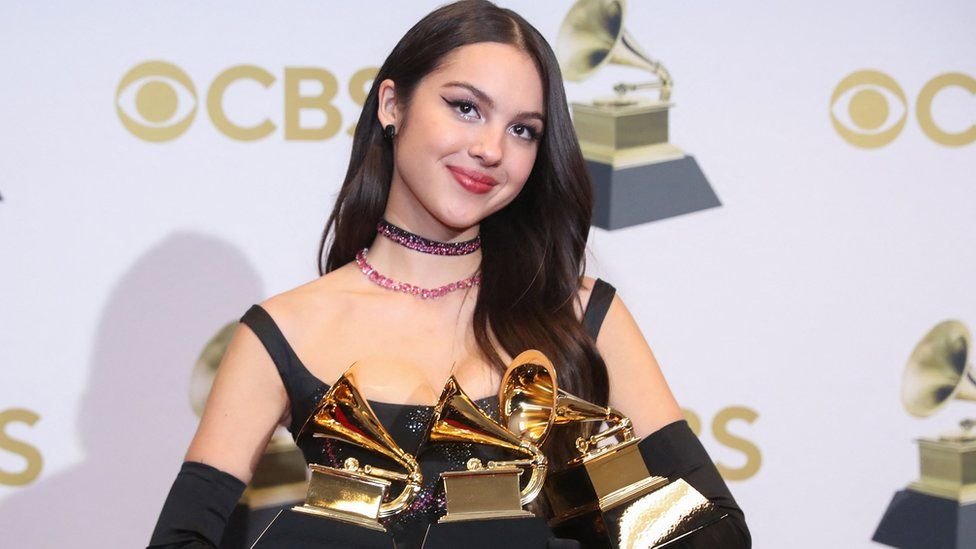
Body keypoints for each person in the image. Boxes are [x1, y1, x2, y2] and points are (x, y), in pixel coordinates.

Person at [148, 1, 750, 547]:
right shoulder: (282, 331)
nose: (492, 149)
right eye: (466, 108)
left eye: (522, 130)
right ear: (393, 105)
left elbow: (716, 530)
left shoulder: (582, 313)